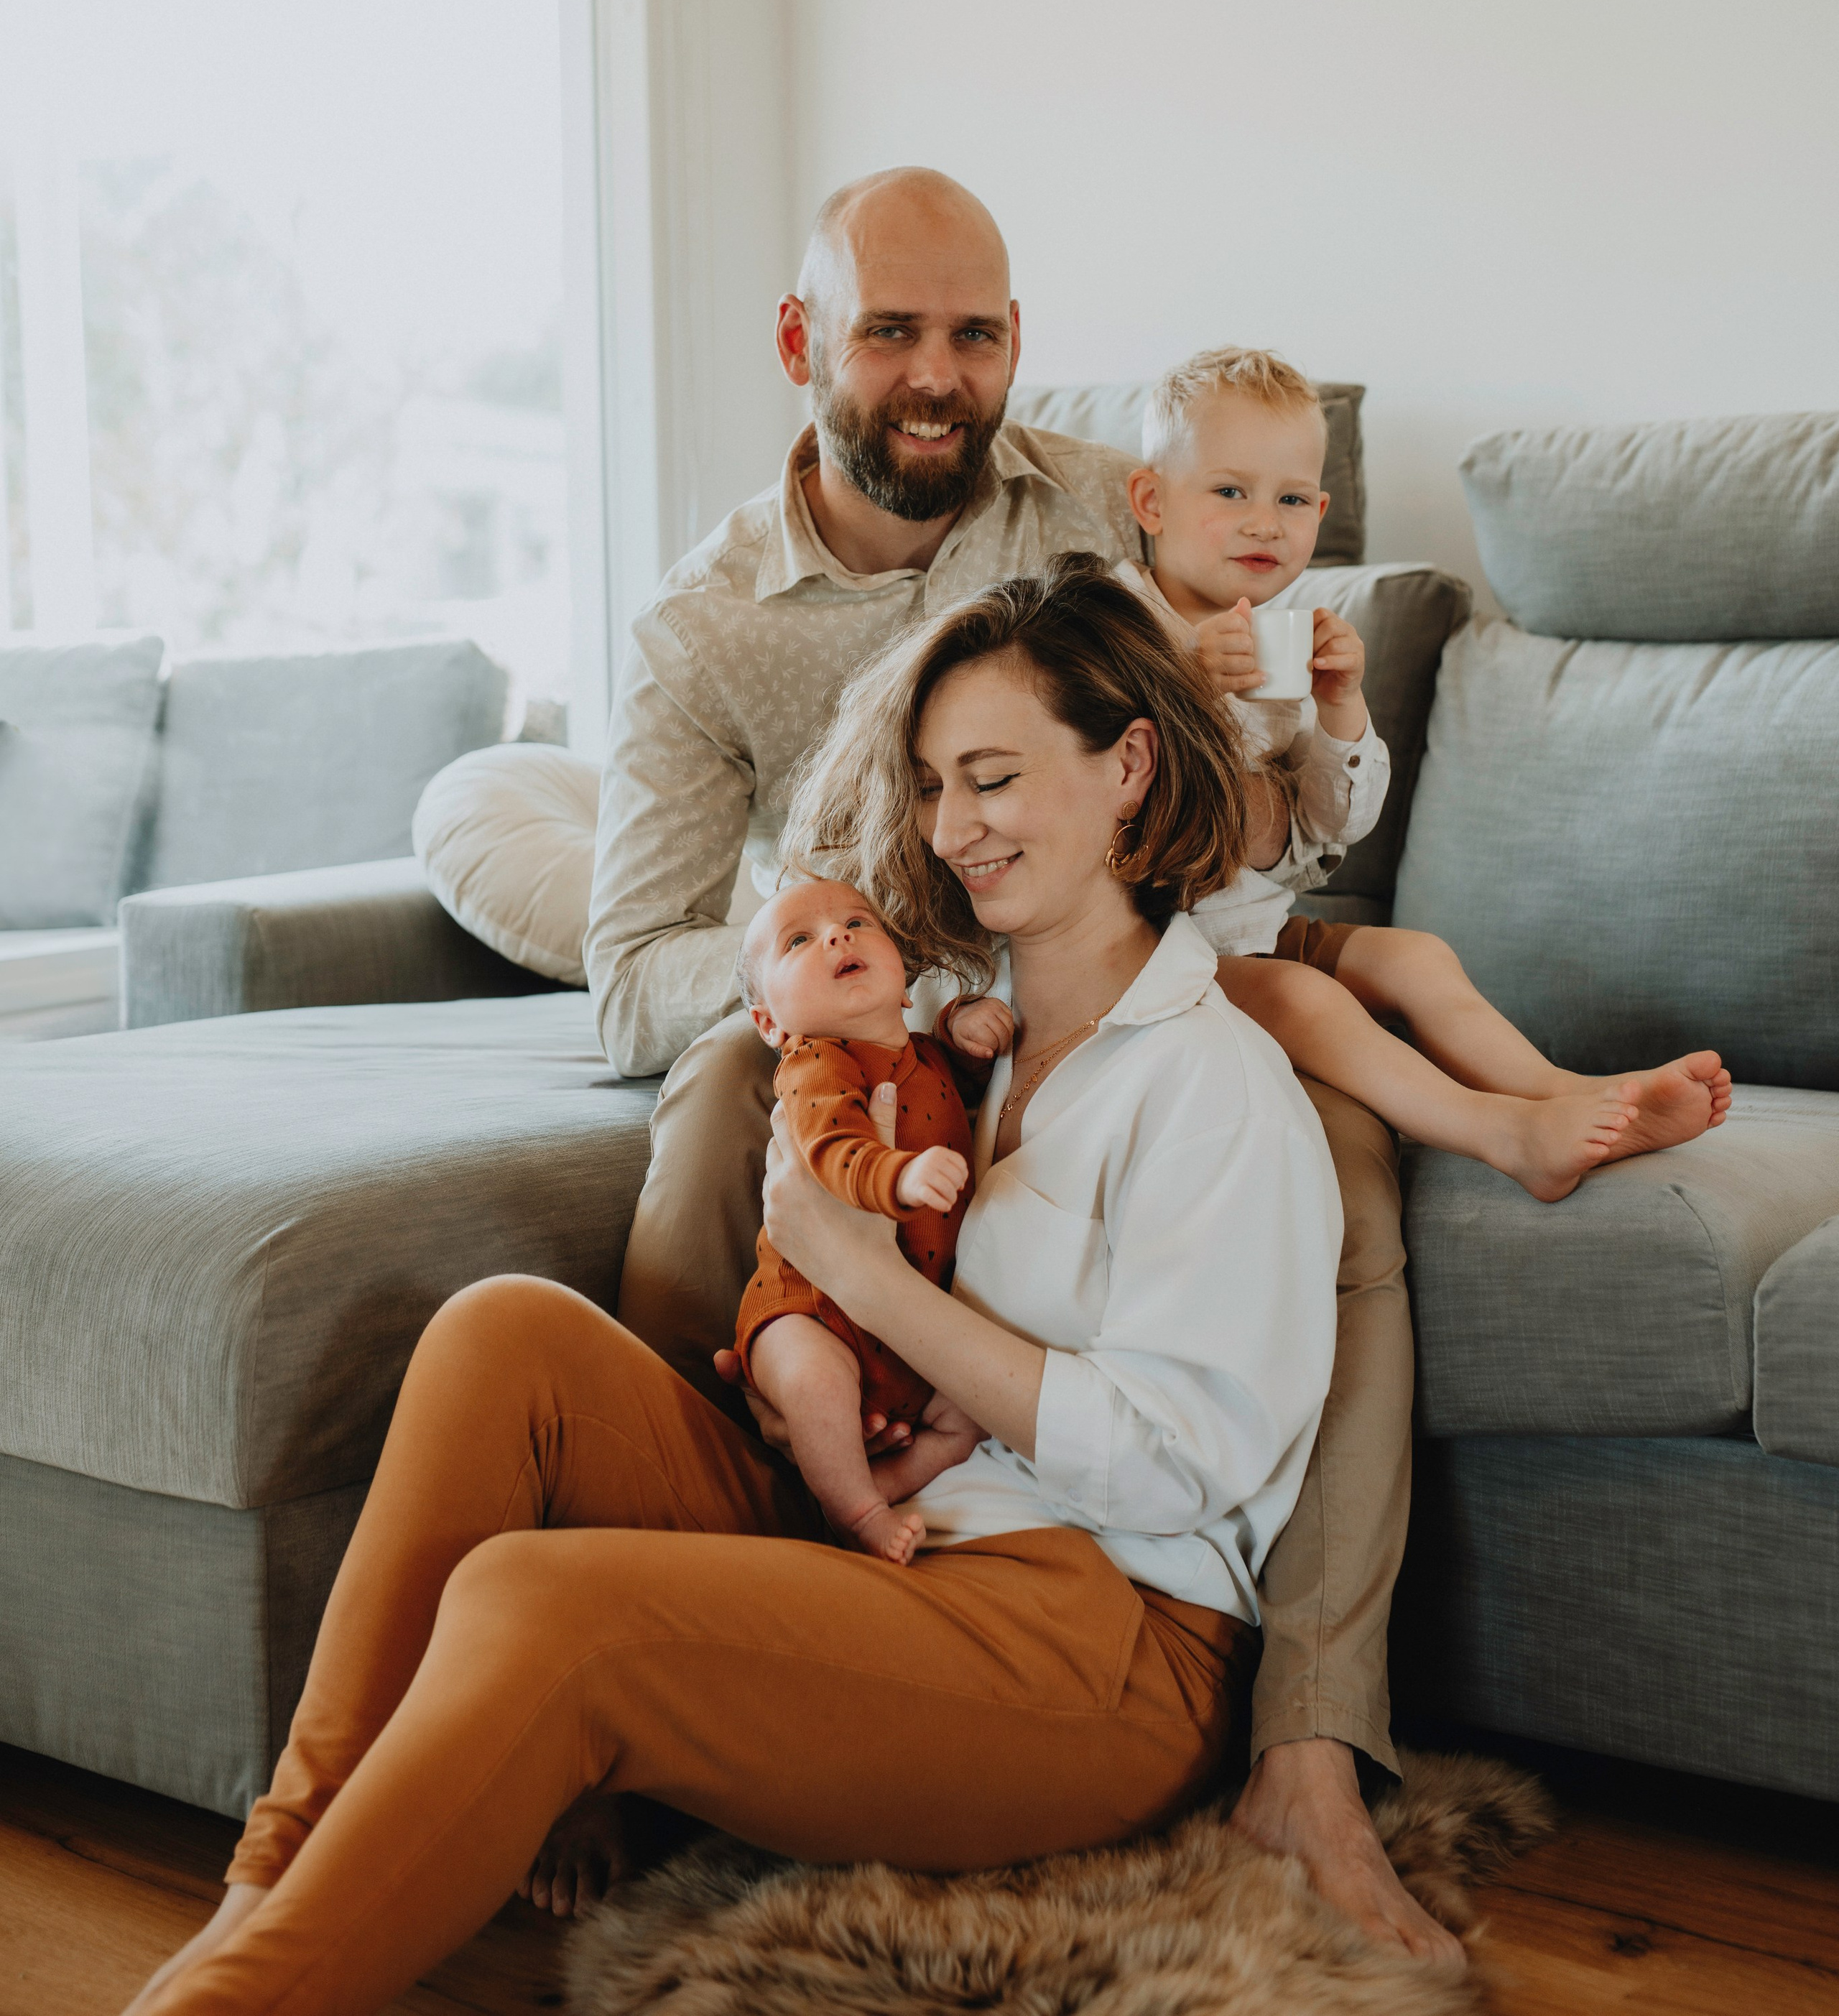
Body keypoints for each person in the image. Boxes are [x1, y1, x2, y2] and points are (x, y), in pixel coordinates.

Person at [119, 560, 1340, 2016]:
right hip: (895, 1537)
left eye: (996, 776)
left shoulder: (1214, 1087)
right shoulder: (962, 1049)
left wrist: (862, 1285)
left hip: (1103, 1641)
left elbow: (1180, 1459)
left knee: (540, 1602)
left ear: (1127, 763)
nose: (951, 828)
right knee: (502, 1329)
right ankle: (264, 1898)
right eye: (937, 782)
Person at [589, 166, 1464, 1964]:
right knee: (700, 1127)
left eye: (973, 335)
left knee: (1344, 1163)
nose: (936, 375)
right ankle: (722, 1596)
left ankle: (1303, 1745)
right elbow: (626, 972)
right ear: (796, 345)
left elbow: (1250, 586)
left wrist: (1266, 666)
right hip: (871, 1003)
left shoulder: (1091, 493)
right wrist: (848, 984)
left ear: (1015, 349)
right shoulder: (702, 624)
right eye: (888, 332)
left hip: (1114, 967)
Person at [1123, 343, 1732, 1197]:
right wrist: (1181, 671)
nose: (1266, 522)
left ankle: (1571, 1092)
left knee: (1416, 958)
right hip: (1149, 954)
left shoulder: (1286, 646)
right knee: (1309, 1003)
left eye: (1292, 499)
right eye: (1230, 491)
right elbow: (1081, 766)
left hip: (1251, 928)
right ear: (1151, 500)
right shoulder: (1108, 626)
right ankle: (1508, 1135)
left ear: (1320, 510)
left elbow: (1331, 829)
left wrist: (1340, 706)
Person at [731, 876, 992, 1560]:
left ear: (906, 984)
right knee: (816, 1383)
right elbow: (831, 1147)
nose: (837, 936)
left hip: (908, 1325)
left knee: (972, 1415)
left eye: (856, 922)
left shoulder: (925, 1054)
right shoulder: (814, 1063)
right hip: (811, 1309)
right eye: (800, 940)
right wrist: (898, 1175)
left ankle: (890, 1475)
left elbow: (966, 1082)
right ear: (770, 1023)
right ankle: (859, 1511)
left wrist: (961, 1029)